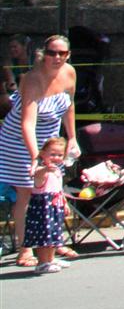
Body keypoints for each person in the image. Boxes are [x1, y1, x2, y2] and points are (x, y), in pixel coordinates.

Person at [1, 34, 77, 268]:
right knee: (28, 193)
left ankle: (52, 243)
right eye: (52, 52)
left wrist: (72, 137)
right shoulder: (32, 79)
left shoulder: (69, 73)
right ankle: (25, 247)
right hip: (20, 141)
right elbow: (27, 123)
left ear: (68, 55)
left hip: (49, 140)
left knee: (53, 191)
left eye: (62, 53)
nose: (56, 57)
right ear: (44, 54)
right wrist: (36, 157)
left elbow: (69, 106)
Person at [22, 136, 70, 274]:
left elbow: (59, 190)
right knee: (44, 235)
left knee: (54, 234)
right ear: (43, 154)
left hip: (55, 206)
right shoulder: (42, 170)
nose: (56, 157)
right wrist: (45, 169)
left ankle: (51, 259)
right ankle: (42, 263)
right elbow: (36, 174)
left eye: (60, 155)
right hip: (43, 208)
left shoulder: (57, 170)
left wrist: (64, 203)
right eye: (52, 154)